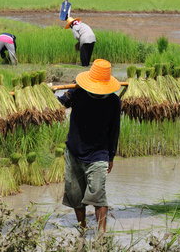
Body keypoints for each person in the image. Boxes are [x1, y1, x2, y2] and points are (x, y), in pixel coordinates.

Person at [57, 59, 121, 233]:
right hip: (74, 151)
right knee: (76, 195)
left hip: (98, 155)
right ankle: (82, 231)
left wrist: (111, 156)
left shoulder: (114, 102)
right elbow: (61, 104)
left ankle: (101, 235)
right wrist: (48, 92)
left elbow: (114, 131)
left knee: (98, 196)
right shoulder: (77, 93)